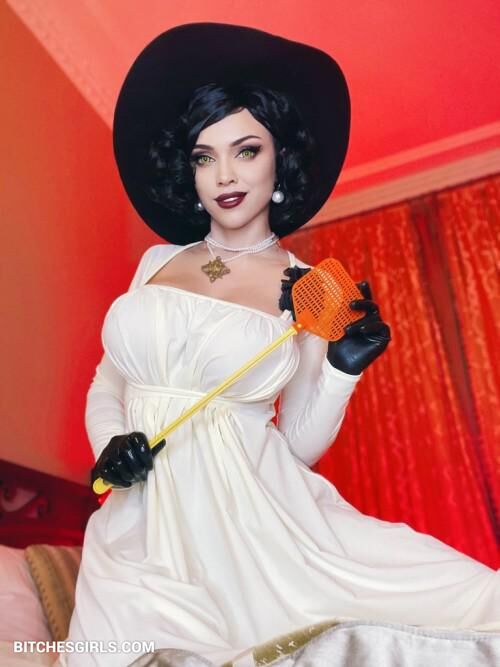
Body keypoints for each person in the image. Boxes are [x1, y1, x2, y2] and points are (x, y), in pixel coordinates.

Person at [61, 22, 499, 667]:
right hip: (140, 518)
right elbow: (111, 380)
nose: (224, 175)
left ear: (279, 161)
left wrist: (343, 370)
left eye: (246, 150)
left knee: (465, 599)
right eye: (204, 157)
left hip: (250, 519)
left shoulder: (307, 286)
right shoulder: (156, 261)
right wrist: (110, 443)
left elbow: (295, 445)